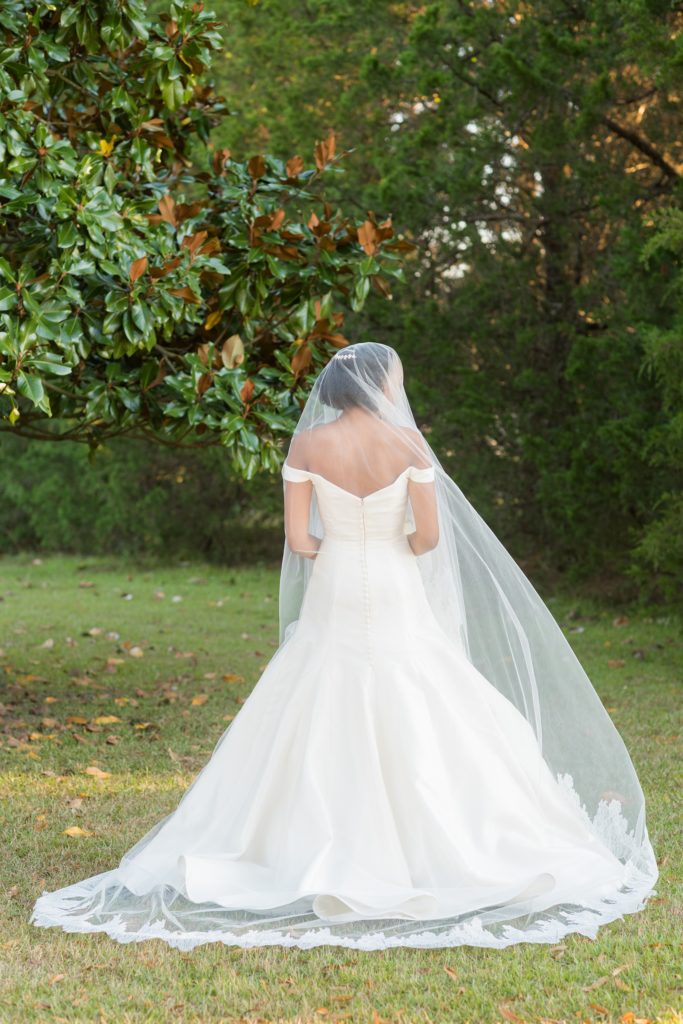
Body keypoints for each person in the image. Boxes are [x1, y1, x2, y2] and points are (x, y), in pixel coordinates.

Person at [31, 341, 659, 951]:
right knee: (421, 685)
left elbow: (300, 541)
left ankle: (294, 844)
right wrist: (391, 547)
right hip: (393, 583)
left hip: (334, 585)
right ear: (382, 384)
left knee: (319, 686)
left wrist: (338, 547)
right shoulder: (408, 443)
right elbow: (429, 539)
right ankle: (440, 841)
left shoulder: (308, 443)